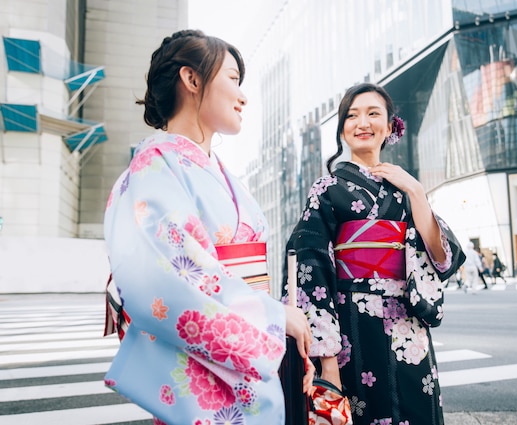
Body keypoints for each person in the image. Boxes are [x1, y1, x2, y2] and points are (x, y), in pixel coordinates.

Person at [102, 30, 314, 425]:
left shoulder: (209, 168)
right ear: (192, 80)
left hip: (247, 353)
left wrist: (273, 313)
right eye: (233, 79)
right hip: (208, 365)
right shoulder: (154, 167)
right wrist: (270, 316)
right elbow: (172, 278)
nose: (243, 96)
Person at [283, 83, 465, 425]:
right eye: (351, 116)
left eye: (372, 114)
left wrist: (416, 191)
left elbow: (441, 257)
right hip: (352, 327)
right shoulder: (327, 190)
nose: (361, 122)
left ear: (390, 126)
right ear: (342, 128)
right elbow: (312, 273)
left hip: (407, 327)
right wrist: (327, 360)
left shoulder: (404, 188)